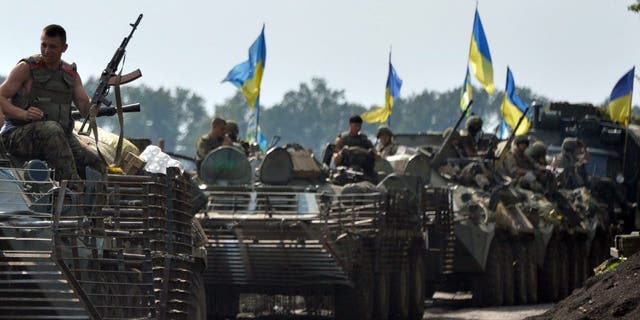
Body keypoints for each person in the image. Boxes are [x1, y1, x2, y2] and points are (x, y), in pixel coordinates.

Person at [0, 24, 105, 181]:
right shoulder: (26, 68)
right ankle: (71, 190)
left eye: (53, 47)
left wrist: (101, 94)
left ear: (64, 48)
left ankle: (95, 203)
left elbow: (85, 109)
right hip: (17, 135)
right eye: (44, 45)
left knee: (95, 163)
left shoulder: (71, 75)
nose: (46, 51)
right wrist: (24, 114)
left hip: (59, 136)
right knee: (52, 129)